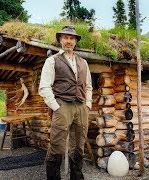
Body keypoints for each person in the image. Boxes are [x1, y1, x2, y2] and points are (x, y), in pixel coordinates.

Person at [39, 26, 92, 180]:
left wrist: (88, 104)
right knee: (57, 147)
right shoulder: (52, 61)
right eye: (65, 38)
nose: (68, 41)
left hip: (81, 106)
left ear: (75, 41)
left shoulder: (83, 62)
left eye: (71, 38)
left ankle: (77, 177)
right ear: (60, 40)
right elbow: (44, 87)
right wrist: (56, 106)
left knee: (79, 147)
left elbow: (88, 86)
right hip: (62, 105)